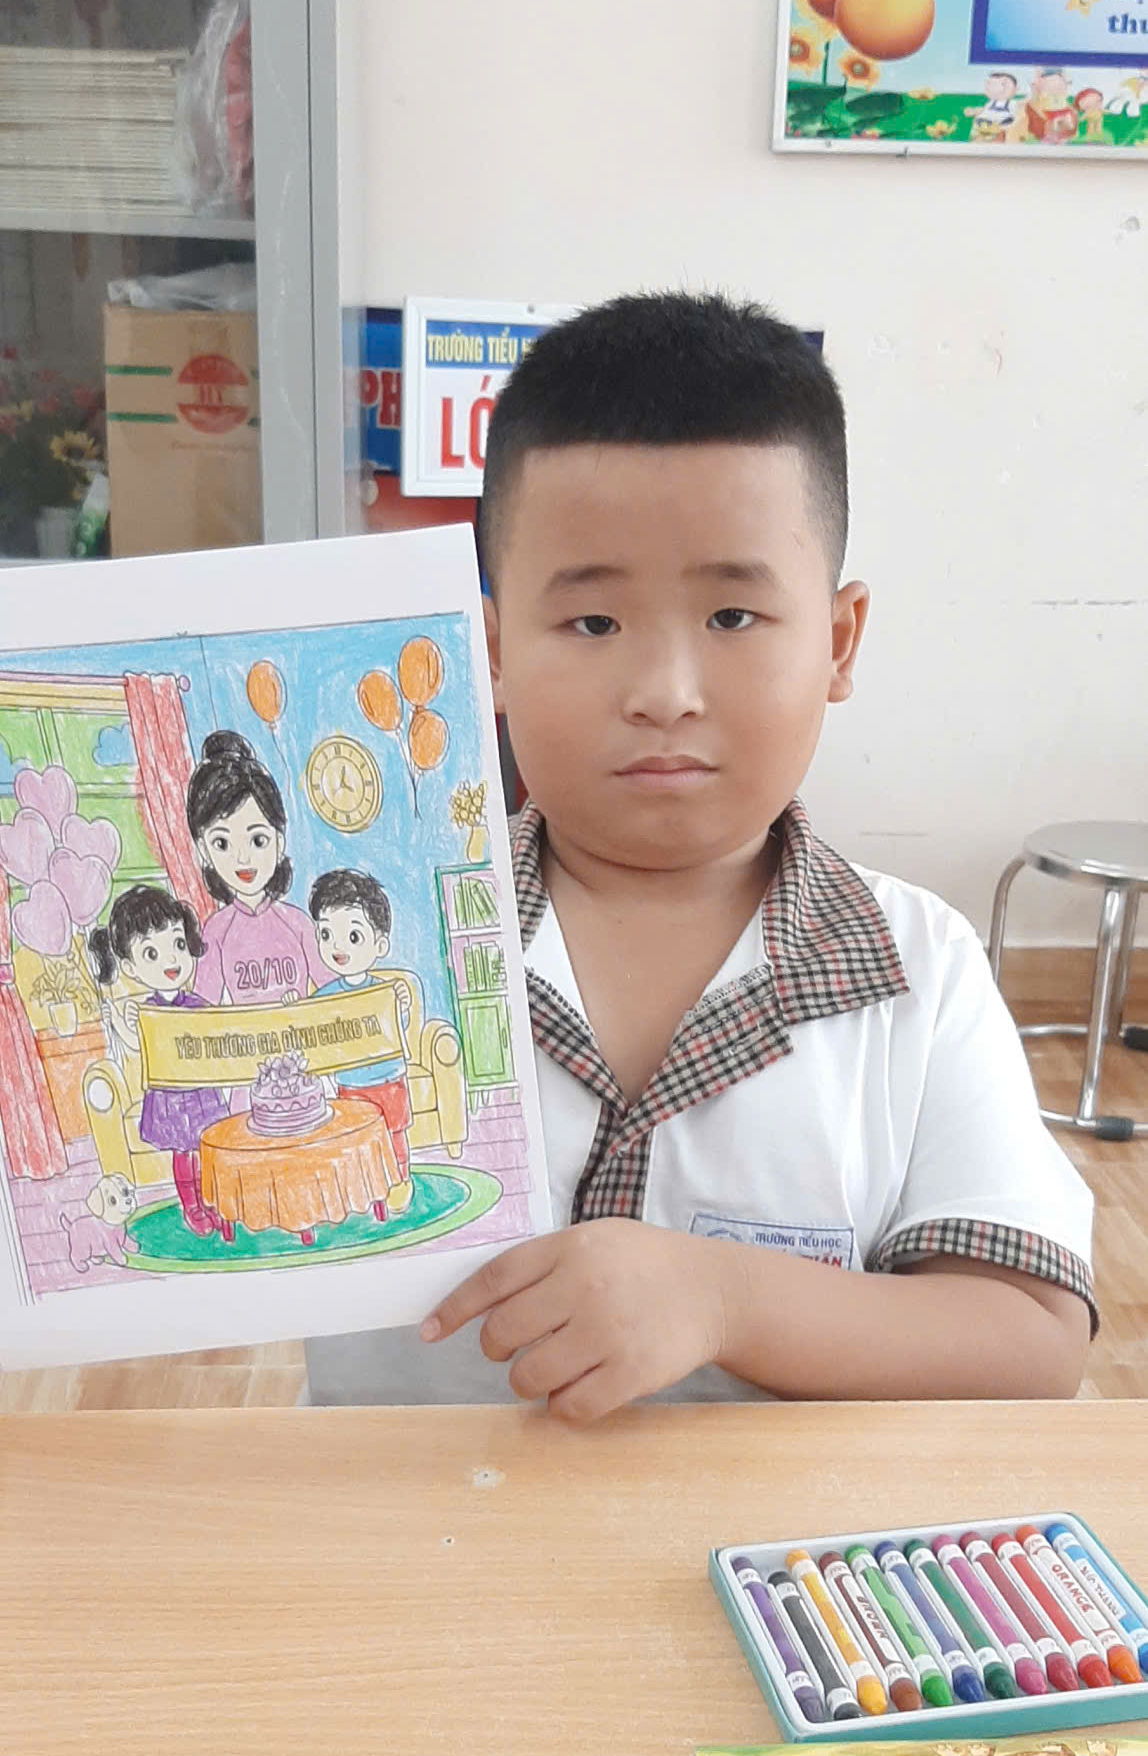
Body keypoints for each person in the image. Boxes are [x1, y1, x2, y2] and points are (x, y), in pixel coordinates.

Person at [306, 291, 1094, 1414]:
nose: (663, 693)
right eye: (592, 623)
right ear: (490, 651)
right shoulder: (360, 941)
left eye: (732, 618)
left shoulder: (920, 972)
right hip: (397, 1522)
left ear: (839, 640)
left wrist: (726, 1300)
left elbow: (1028, 1342)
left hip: (786, 1535)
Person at [88, 885, 226, 1236]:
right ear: (131, 967)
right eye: (151, 953)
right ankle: (191, 1205)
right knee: (182, 1153)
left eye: (178, 944)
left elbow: (215, 1041)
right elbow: (140, 1047)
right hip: (169, 1095)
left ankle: (211, 1200)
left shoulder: (197, 1005)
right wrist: (121, 1025)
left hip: (200, 1093)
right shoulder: (145, 1011)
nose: (170, 960)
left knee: (206, 1148)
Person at [186, 730, 321, 1012]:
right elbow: (202, 1010)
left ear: (279, 842)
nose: (242, 857)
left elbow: (335, 993)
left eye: (258, 840)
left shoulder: (298, 924)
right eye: (222, 843)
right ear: (203, 851)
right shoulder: (216, 931)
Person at [310, 867, 414, 1208]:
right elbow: (310, 1029)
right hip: (349, 1085)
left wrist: (401, 1006)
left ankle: (400, 1180)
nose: (338, 946)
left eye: (352, 936)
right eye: (326, 934)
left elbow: (398, 1030)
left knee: (393, 1136)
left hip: (388, 1082)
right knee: (355, 1140)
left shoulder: (385, 991)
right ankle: (364, 1189)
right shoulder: (324, 998)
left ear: (379, 944)